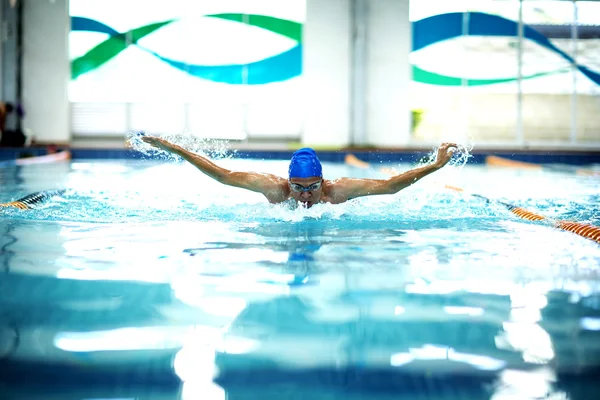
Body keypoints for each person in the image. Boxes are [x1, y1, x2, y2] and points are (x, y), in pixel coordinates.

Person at [141, 136, 458, 208]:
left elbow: (389, 186)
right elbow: (222, 175)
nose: (305, 195)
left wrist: (434, 165)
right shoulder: (273, 188)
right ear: (287, 182)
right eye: (298, 187)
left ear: (323, 181)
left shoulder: (339, 190)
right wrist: (178, 151)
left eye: (312, 188)